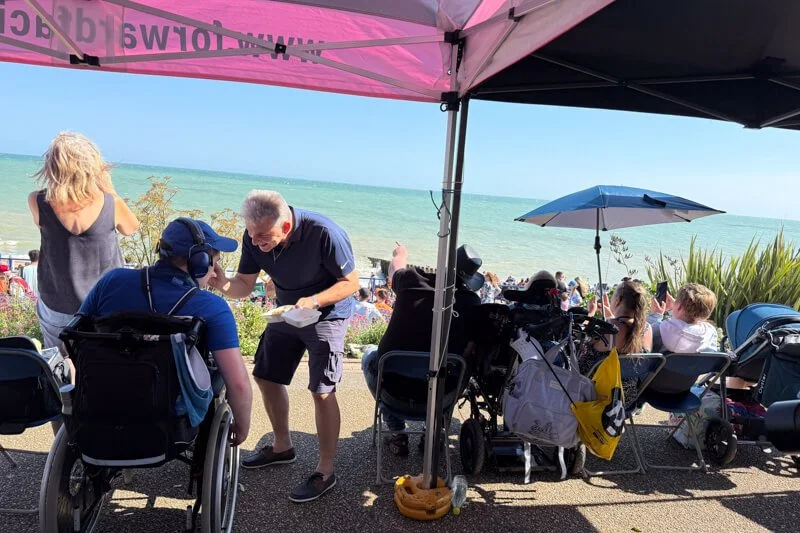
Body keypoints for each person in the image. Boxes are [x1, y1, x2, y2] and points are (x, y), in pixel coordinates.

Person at [208, 190, 358, 503]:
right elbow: (244, 285)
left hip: (327, 313)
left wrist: (315, 300)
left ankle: (326, 471)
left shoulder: (324, 233)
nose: (256, 241)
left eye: (264, 236)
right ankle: (281, 446)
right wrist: (220, 283)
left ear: (286, 227)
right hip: (287, 310)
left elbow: (351, 283)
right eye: (251, 234)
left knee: (322, 390)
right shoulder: (253, 235)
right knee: (265, 375)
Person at [79, 218, 252, 444]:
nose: (214, 273)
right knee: (217, 375)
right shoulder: (212, 308)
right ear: (199, 262)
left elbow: (73, 337)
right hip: (171, 415)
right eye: (214, 263)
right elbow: (238, 384)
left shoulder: (112, 281)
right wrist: (242, 426)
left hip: (102, 400)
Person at [361, 242, 483, 456]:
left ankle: (397, 432)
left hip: (393, 391)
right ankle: (431, 432)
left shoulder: (410, 281)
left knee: (369, 355)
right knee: (459, 368)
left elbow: (394, 269)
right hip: (440, 396)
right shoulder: (471, 302)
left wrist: (401, 254)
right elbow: (469, 351)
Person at [29, 132, 139, 352]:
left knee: (59, 366)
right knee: (103, 363)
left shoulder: (37, 201)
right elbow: (131, 228)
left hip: (57, 301)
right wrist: (107, 188)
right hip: (105, 304)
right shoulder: (110, 202)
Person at [581, 280, 653, 400]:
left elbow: (581, 339)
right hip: (627, 397)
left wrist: (590, 313)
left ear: (618, 300)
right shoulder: (646, 328)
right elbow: (625, 331)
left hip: (598, 395)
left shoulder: (609, 329)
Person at [649, 283, 718, 353]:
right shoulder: (711, 333)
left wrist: (655, 315)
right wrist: (674, 309)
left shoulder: (660, 329)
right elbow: (685, 326)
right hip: (702, 364)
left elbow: (644, 334)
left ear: (679, 307)